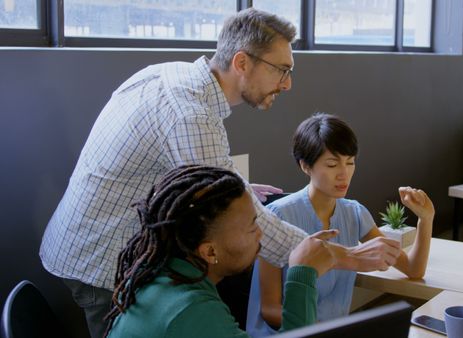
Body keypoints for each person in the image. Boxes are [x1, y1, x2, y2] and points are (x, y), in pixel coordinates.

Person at [39, 8, 401, 338]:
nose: (288, 83)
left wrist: (239, 185)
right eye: (281, 70)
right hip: (102, 261)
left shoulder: (174, 75)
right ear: (242, 62)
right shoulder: (192, 114)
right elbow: (263, 228)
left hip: (85, 242)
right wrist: (344, 256)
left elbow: (188, 173)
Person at [246, 113, 435, 336]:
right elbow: (269, 309)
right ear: (305, 166)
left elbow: (413, 269)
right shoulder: (277, 216)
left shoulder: (354, 213)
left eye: (350, 162)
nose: (344, 174)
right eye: (332, 164)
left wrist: (426, 219)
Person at [104, 165, 338, 338]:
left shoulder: (159, 273)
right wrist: (302, 274)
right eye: (252, 227)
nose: (261, 234)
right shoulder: (189, 310)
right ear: (209, 251)